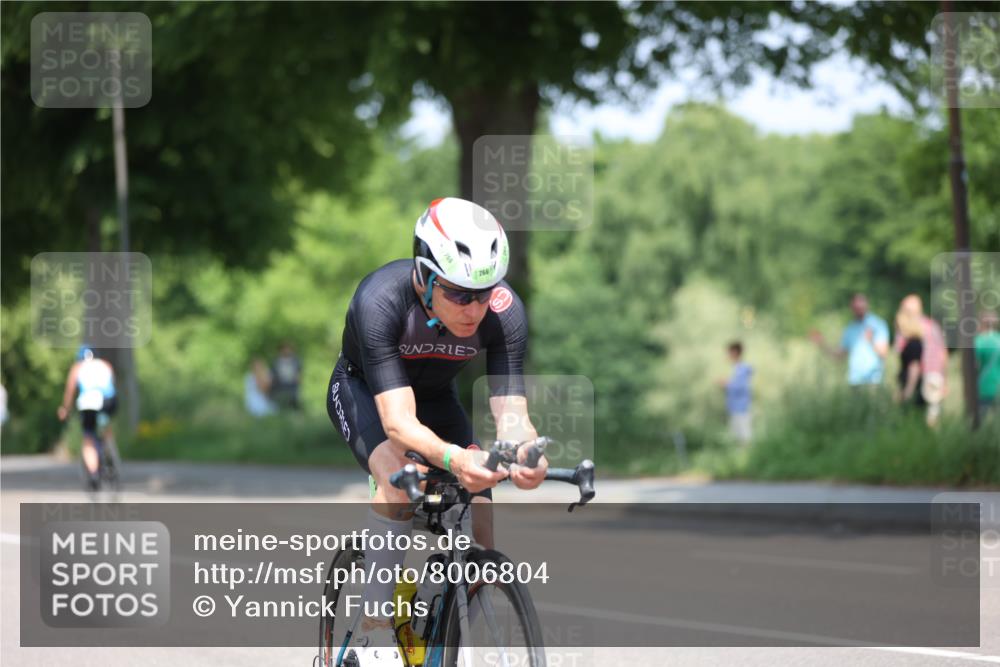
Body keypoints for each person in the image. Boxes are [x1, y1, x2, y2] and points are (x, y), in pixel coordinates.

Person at [326, 197, 548, 667]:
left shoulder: (503, 311)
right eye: (460, 294)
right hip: (368, 392)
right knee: (397, 473)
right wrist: (453, 459)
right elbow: (397, 422)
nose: (475, 308)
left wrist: (525, 452)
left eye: (484, 292)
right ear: (424, 277)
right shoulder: (380, 300)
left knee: (481, 527)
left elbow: (512, 412)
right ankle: (374, 630)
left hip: (436, 399)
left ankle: (430, 618)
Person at [57, 346, 117, 490]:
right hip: (109, 401)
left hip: (88, 403)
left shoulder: (78, 367)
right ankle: (110, 452)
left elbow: (71, 390)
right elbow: (112, 384)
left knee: (88, 439)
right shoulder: (105, 364)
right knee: (105, 426)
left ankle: (94, 473)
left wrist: (65, 409)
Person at [810, 293, 890, 386]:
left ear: (867, 305)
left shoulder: (877, 324)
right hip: (855, 381)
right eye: (856, 307)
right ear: (852, 307)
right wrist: (822, 344)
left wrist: (871, 340)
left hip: (873, 380)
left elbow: (884, 353)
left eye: (861, 306)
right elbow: (839, 355)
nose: (858, 309)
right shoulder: (850, 329)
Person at [894, 294, 948, 424]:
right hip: (932, 375)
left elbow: (912, 362)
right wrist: (945, 378)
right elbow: (943, 353)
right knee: (931, 416)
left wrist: (907, 389)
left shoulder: (907, 330)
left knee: (918, 416)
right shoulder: (931, 325)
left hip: (923, 377)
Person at [717, 341, 753, 445]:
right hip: (734, 408)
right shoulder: (735, 369)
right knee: (736, 439)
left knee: (745, 439)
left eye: (729, 352)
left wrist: (726, 384)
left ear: (735, 353)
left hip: (742, 408)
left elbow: (741, 387)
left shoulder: (744, 368)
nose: (728, 355)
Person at [894, 306, 926, 412]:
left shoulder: (913, 344)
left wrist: (908, 391)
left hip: (913, 389)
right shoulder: (914, 343)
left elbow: (914, 368)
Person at [975, 310, 1000, 420]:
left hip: (983, 386)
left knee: (980, 421)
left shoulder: (979, 341)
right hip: (998, 386)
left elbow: (974, 366)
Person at [270, 341, 302, 410]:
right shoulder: (276, 361)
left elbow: (298, 374)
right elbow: (273, 375)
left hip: (292, 385)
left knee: (293, 398)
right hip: (280, 385)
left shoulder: (295, 360)